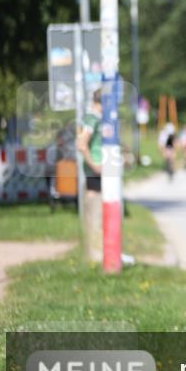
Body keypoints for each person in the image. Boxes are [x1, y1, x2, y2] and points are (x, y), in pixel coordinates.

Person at [77, 89, 104, 262]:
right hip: (95, 171)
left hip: (101, 169)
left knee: (100, 212)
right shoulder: (92, 119)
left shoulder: (97, 118)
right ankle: (94, 253)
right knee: (95, 210)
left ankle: (98, 250)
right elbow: (82, 143)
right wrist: (94, 164)